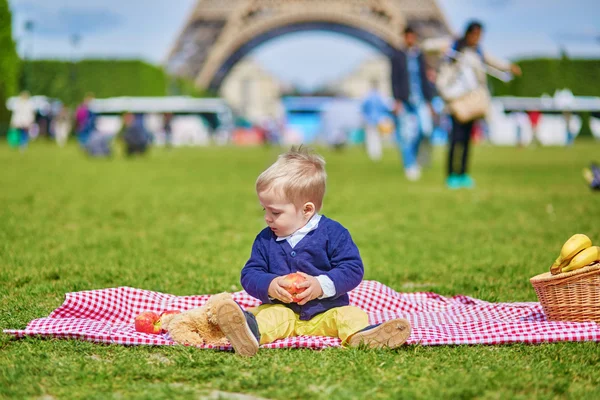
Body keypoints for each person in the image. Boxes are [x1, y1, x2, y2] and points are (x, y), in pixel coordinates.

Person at [208, 147, 411, 357]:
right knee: (266, 317)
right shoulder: (265, 239)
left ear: (307, 210)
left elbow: (352, 268)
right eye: (264, 210)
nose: (267, 218)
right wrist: (270, 284)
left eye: (275, 212)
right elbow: (250, 273)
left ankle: (364, 337)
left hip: (326, 311)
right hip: (282, 311)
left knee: (351, 315)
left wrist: (321, 285)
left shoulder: (333, 233)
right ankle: (247, 333)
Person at [442, 21, 522, 189]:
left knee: (466, 140)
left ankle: (463, 173)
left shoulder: (478, 52)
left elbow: (493, 62)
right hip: (458, 100)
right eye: (475, 35)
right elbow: (442, 70)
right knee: (455, 139)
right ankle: (451, 175)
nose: (477, 38)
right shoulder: (454, 51)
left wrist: (508, 66)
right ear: (468, 34)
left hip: (473, 101)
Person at [391, 26, 435, 181]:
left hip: (420, 99)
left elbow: (425, 79)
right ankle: (409, 164)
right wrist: (396, 100)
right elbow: (394, 79)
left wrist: (429, 101)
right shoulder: (397, 55)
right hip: (405, 100)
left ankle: (416, 157)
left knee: (425, 130)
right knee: (406, 134)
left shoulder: (420, 55)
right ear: (404, 37)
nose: (410, 39)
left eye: (413, 36)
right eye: (408, 36)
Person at [360, 83, 391, 161]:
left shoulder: (367, 96)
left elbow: (363, 107)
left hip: (369, 119)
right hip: (379, 119)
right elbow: (385, 107)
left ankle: (372, 153)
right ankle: (377, 154)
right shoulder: (380, 96)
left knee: (370, 137)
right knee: (377, 137)